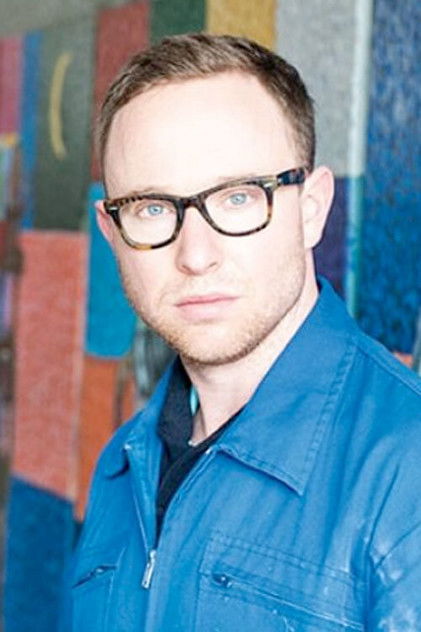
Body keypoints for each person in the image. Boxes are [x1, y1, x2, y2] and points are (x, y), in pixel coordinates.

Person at [66, 33, 421, 631]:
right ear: (112, 233)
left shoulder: (406, 470)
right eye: (153, 208)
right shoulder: (122, 465)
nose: (195, 255)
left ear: (312, 209)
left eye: (237, 198)